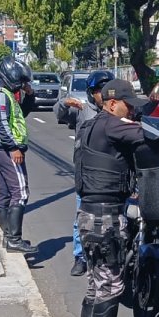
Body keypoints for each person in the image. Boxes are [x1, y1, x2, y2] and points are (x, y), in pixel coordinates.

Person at [75, 79, 150, 317]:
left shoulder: (93, 125)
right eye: (127, 104)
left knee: (97, 285)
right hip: (105, 217)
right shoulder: (113, 126)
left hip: (92, 214)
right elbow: (151, 135)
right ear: (111, 102)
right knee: (110, 288)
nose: (131, 110)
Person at [59, 70, 114, 277]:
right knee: (81, 217)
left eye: (107, 90)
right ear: (92, 93)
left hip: (111, 174)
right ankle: (80, 257)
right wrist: (65, 103)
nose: (104, 95)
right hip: (87, 174)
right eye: (100, 90)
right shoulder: (83, 110)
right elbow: (60, 114)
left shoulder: (117, 111)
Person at [0, 57, 38, 254]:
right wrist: (13, 148)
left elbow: (21, 114)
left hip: (4, 151)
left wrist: (30, 95)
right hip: (8, 151)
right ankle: (13, 238)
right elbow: (1, 125)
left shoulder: (9, 95)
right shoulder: (0, 95)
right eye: (20, 82)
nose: (21, 85)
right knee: (21, 193)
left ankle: (9, 237)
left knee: (6, 194)